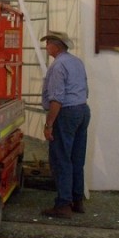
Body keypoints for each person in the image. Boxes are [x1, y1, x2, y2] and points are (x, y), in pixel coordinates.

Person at [39, 30, 91, 218]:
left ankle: (63, 205)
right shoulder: (76, 62)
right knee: (77, 158)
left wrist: (49, 124)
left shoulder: (58, 66)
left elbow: (57, 99)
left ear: (56, 45)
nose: (46, 47)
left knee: (61, 158)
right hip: (82, 110)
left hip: (66, 113)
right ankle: (77, 200)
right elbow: (85, 88)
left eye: (48, 43)